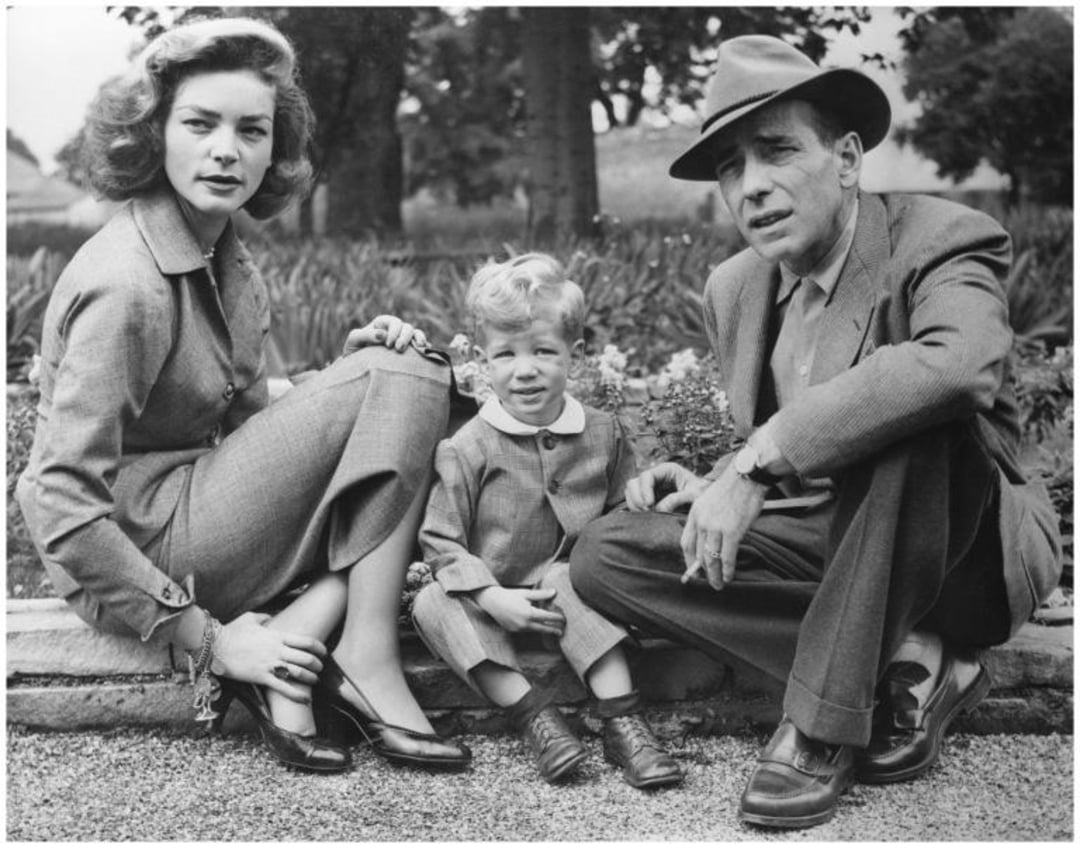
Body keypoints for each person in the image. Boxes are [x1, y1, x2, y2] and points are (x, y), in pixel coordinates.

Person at [569, 35, 1062, 828]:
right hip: (840, 543)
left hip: (968, 552)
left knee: (910, 416)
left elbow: (959, 366)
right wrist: (715, 482)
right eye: (731, 168)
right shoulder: (736, 288)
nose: (752, 186)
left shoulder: (940, 238)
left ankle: (818, 728)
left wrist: (753, 466)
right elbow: (790, 450)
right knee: (609, 556)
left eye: (776, 151)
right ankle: (911, 660)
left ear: (848, 158)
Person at [15, 16, 471, 774]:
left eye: (251, 130)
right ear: (154, 133)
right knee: (408, 377)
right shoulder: (127, 286)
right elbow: (56, 500)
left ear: (273, 148)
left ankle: (308, 634)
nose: (227, 150)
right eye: (200, 124)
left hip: (195, 508)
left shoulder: (221, 253)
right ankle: (364, 653)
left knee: (409, 376)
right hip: (136, 553)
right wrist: (212, 641)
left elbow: (246, 416)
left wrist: (339, 381)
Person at [411, 254, 683, 788]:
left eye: (542, 351)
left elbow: (618, 517)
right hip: (489, 593)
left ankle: (623, 721)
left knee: (576, 577)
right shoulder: (469, 446)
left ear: (574, 356)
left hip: (572, 589)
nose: (525, 369)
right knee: (430, 603)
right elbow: (441, 540)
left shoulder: (603, 432)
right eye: (506, 354)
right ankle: (537, 717)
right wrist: (491, 596)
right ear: (483, 362)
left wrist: (641, 507)